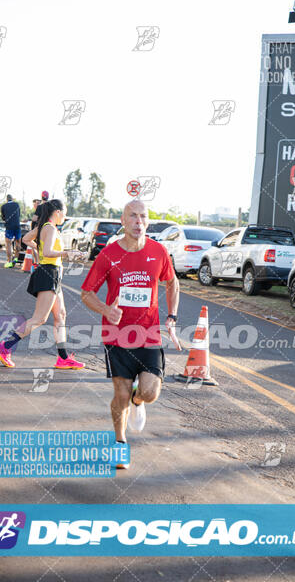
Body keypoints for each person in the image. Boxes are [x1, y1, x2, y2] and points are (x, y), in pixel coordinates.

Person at [81, 199, 180, 469]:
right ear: (123, 221)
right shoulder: (109, 255)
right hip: (117, 336)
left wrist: (171, 317)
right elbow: (86, 293)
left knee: (150, 392)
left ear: (148, 221)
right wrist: (105, 309)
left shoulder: (158, 251)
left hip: (148, 334)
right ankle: (119, 442)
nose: (138, 222)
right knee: (120, 394)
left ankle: (139, 401)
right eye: (133, 216)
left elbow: (172, 282)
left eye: (143, 217)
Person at [0, 199, 86, 370]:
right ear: (57, 212)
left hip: (52, 274)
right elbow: (49, 252)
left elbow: (27, 238)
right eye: (64, 212)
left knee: (61, 315)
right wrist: (68, 253)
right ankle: (4, 346)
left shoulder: (44, 226)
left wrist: (40, 249)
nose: (65, 215)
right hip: (49, 273)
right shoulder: (49, 228)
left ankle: (63, 358)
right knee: (39, 319)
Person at [0, 194, 21, 268]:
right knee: (18, 242)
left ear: (6, 199)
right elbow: (19, 215)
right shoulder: (17, 205)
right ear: (12, 199)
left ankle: (9, 261)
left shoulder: (3, 206)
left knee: (8, 244)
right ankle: (15, 258)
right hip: (17, 226)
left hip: (9, 226)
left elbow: (3, 217)